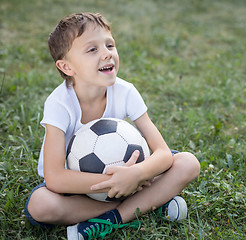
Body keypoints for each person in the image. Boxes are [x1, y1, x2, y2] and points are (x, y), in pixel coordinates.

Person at [24, 12, 200, 240]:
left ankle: (110, 221)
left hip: (133, 176)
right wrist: (115, 182)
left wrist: (136, 173)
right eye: (92, 49)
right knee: (40, 205)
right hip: (81, 187)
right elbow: (56, 178)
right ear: (67, 66)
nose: (107, 53)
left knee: (188, 163)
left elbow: (164, 154)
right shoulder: (59, 104)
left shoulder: (125, 91)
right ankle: (148, 206)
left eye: (109, 45)